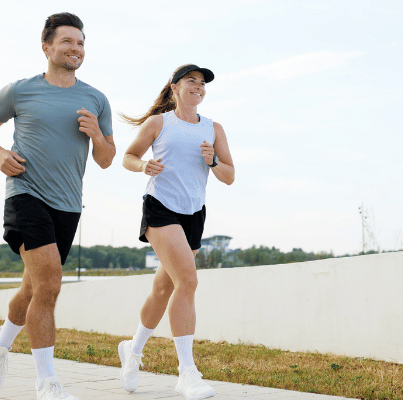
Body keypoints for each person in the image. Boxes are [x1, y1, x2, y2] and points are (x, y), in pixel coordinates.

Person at [0, 12, 115, 400]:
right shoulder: (20, 91)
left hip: (68, 204)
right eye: (67, 41)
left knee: (34, 287)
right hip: (25, 193)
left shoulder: (96, 99)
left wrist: (97, 135)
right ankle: (47, 383)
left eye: (81, 43)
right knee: (50, 285)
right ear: (46, 47)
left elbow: (106, 159)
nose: (75, 48)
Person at [117, 64, 234, 400]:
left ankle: (132, 350)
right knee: (188, 281)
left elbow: (229, 176)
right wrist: (143, 165)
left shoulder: (214, 128)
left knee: (162, 288)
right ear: (175, 88)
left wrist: (213, 161)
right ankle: (187, 374)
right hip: (161, 207)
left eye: (202, 83)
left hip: (194, 214)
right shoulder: (160, 123)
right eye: (191, 81)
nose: (198, 86)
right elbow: (128, 157)